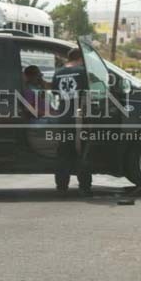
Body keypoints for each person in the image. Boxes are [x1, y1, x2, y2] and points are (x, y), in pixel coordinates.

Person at [52, 48, 92, 195]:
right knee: (82, 152)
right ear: (80, 58)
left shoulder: (58, 73)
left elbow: (55, 93)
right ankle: (85, 187)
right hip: (80, 118)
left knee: (63, 153)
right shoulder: (82, 72)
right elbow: (91, 92)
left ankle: (61, 187)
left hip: (63, 118)